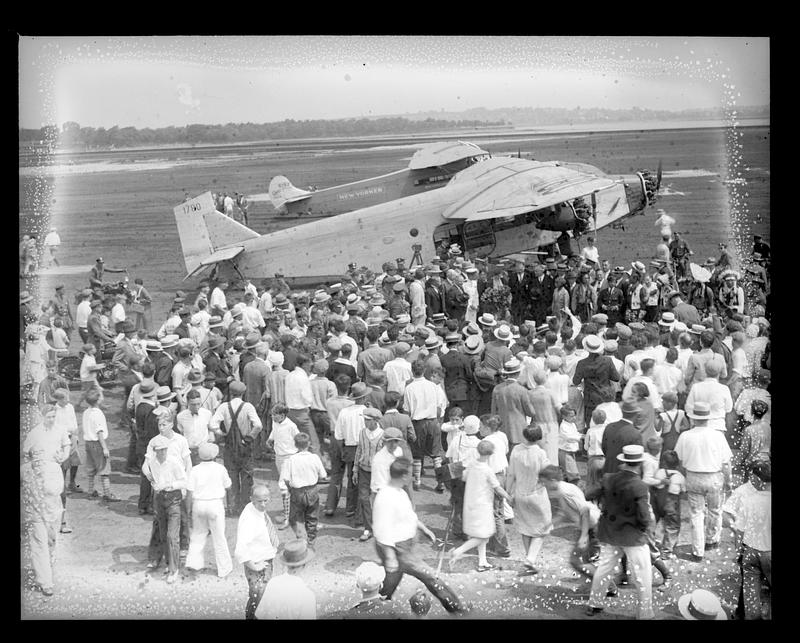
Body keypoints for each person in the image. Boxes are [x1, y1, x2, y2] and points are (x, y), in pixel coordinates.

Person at [372, 458, 465, 613]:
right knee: (430, 577)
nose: (412, 476)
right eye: (409, 473)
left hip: (404, 546)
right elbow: (381, 529)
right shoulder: (385, 497)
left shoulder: (400, 492)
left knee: (390, 583)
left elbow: (408, 515)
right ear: (403, 476)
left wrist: (424, 528)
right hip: (397, 549)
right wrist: (390, 556)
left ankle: (374, 607)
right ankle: (457, 609)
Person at [585, 445, 655, 619]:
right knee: (642, 574)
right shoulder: (640, 486)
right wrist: (645, 528)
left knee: (604, 568)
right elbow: (644, 515)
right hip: (633, 536)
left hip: (610, 532)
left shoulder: (608, 478)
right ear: (639, 464)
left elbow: (589, 493)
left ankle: (595, 604)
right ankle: (644, 613)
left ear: (624, 462)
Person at [674, 401, 732, 562]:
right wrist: (728, 481)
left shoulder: (685, 436)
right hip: (714, 476)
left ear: (693, 418)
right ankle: (711, 540)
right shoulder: (718, 436)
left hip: (693, 475)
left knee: (696, 513)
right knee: (715, 510)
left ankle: (697, 550)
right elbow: (726, 462)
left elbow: (678, 459)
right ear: (708, 418)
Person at [21, 406, 69, 597]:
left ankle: (48, 570)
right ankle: (45, 581)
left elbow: (58, 490)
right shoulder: (26, 469)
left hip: (52, 509)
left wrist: (61, 457)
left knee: (50, 539)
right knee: (39, 540)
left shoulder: (54, 469)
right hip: (36, 511)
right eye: (48, 416)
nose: (51, 419)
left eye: (53, 416)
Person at [449, 439, 513, 572]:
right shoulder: (488, 470)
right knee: (484, 535)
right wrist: (508, 497)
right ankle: (459, 551)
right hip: (482, 505)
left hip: (471, 503)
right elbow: (498, 488)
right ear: (491, 454)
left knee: (480, 534)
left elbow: (463, 477)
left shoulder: (472, 464)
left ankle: (482, 562)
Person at [722, 459, 771, 620]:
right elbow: (728, 515)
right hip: (764, 551)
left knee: (751, 593)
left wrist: (740, 548)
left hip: (750, 549)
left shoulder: (749, 500)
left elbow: (740, 528)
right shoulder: (745, 493)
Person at [210, 381, 263, 515]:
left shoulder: (223, 407)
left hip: (230, 446)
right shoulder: (248, 406)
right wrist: (250, 437)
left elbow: (212, 424)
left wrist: (222, 434)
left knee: (231, 476)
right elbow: (258, 425)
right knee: (246, 476)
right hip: (245, 446)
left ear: (231, 393)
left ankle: (233, 507)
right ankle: (245, 506)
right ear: (243, 393)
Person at [506, 425, 552, 574]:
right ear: (539, 437)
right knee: (542, 528)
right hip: (537, 495)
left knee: (526, 527)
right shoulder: (540, 453)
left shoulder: (516, 450)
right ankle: (530, 560)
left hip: (520, 493)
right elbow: (548, 474)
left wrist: (508, 493)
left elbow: (511, 474)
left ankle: (529, 559)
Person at [142, 435, 187, 584]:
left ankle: (174, 570)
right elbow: (148, 472)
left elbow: (184, 481)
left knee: (171, 535)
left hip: (173, 499)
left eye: (164, 450)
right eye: (159, 450)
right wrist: (154, 483)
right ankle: (169, 564)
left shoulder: (174, 462)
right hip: (159, 499)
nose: (162, 453)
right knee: (162, 533)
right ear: (154, 451)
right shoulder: (153, 462)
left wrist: (170, 485)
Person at [235, 484, 281, 620]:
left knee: (260, 598)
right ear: (252, 499)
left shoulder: (256, 510)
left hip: (265, 560)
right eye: (259, 501)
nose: (263, 504)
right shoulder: (249, 519)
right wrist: (254, 566)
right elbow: (240, 549)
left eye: (266, 500)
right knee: (258, 599)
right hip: (257, 565)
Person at [403, 359, 448, 492]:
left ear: (412, 371)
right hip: (433, 421)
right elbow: (440, 409)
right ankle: (441, 483)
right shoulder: (433, 386)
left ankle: (417, 481)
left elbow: (407, 411)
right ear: (424, 371)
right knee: (436, 454)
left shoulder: (409, 388)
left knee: (417, 454)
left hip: (417, 423)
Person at [279, 433, 327, 546]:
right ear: (308, 443)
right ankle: (311, 542)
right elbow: (323, 475)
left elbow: (285, 478)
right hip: (312, 491)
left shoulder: (290, 460)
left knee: (295, 518)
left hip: (297, 491)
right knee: (312, 517)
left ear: (295, 445)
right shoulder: (314, 458)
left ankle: (300, 538)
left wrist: (290, 488)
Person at [254, 539, 317, 620]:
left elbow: (260, 615)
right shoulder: (307, 595)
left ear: (286, 563)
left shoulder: (273, 583)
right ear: (304, 565)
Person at [601, 399, 644, 474]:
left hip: (607, 469)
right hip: (623, 474)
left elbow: (604, 448)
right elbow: (636, 458)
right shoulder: (635, 434)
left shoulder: (609, 427)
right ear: (636, 414)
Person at [557, 405, 582, 483]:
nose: (574, 418)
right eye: (571, 416)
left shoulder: (572, 424)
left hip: (571, 452)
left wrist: (581, 435)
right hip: (565, 452)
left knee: (568, 472)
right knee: (573, 474)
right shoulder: (563, 426)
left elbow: (575, 433)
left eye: (574, 415)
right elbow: (569, 437)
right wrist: (579, 438)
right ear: (564, 416)